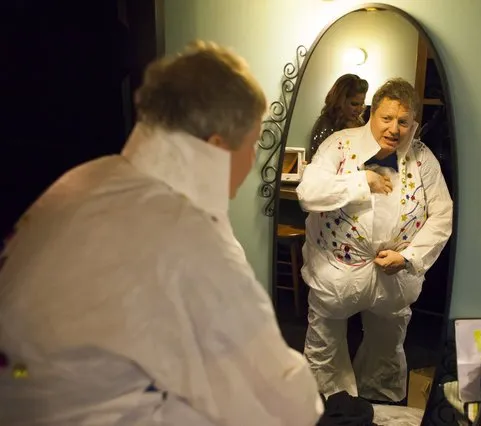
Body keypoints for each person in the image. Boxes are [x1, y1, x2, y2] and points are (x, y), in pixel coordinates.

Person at [0, 41, 323, 425]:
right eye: (252, 143)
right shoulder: (184, 232)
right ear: (217, 146)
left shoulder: (88, 178)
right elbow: (277, 400)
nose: (253, 160)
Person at [296, 78, 453, 403]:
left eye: (403, 121)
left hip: (394, 281)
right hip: (336, 274)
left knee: (387, 349)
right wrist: (360, 181)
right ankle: (328, 405)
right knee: (325, 347)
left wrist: (409, 257)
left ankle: (380, 405)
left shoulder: (423, 159)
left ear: (414, 124)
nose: (394, 128)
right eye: (386, 118)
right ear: (372, 114)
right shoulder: (340, 145)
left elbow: (442, 215)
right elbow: (308, 193)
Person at [309, 74, 369, 159]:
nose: (359, 110)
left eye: (362, 104)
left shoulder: (360, 124)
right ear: (340, 101)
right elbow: (316, 162)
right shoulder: (325, 124)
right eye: (354, 104)